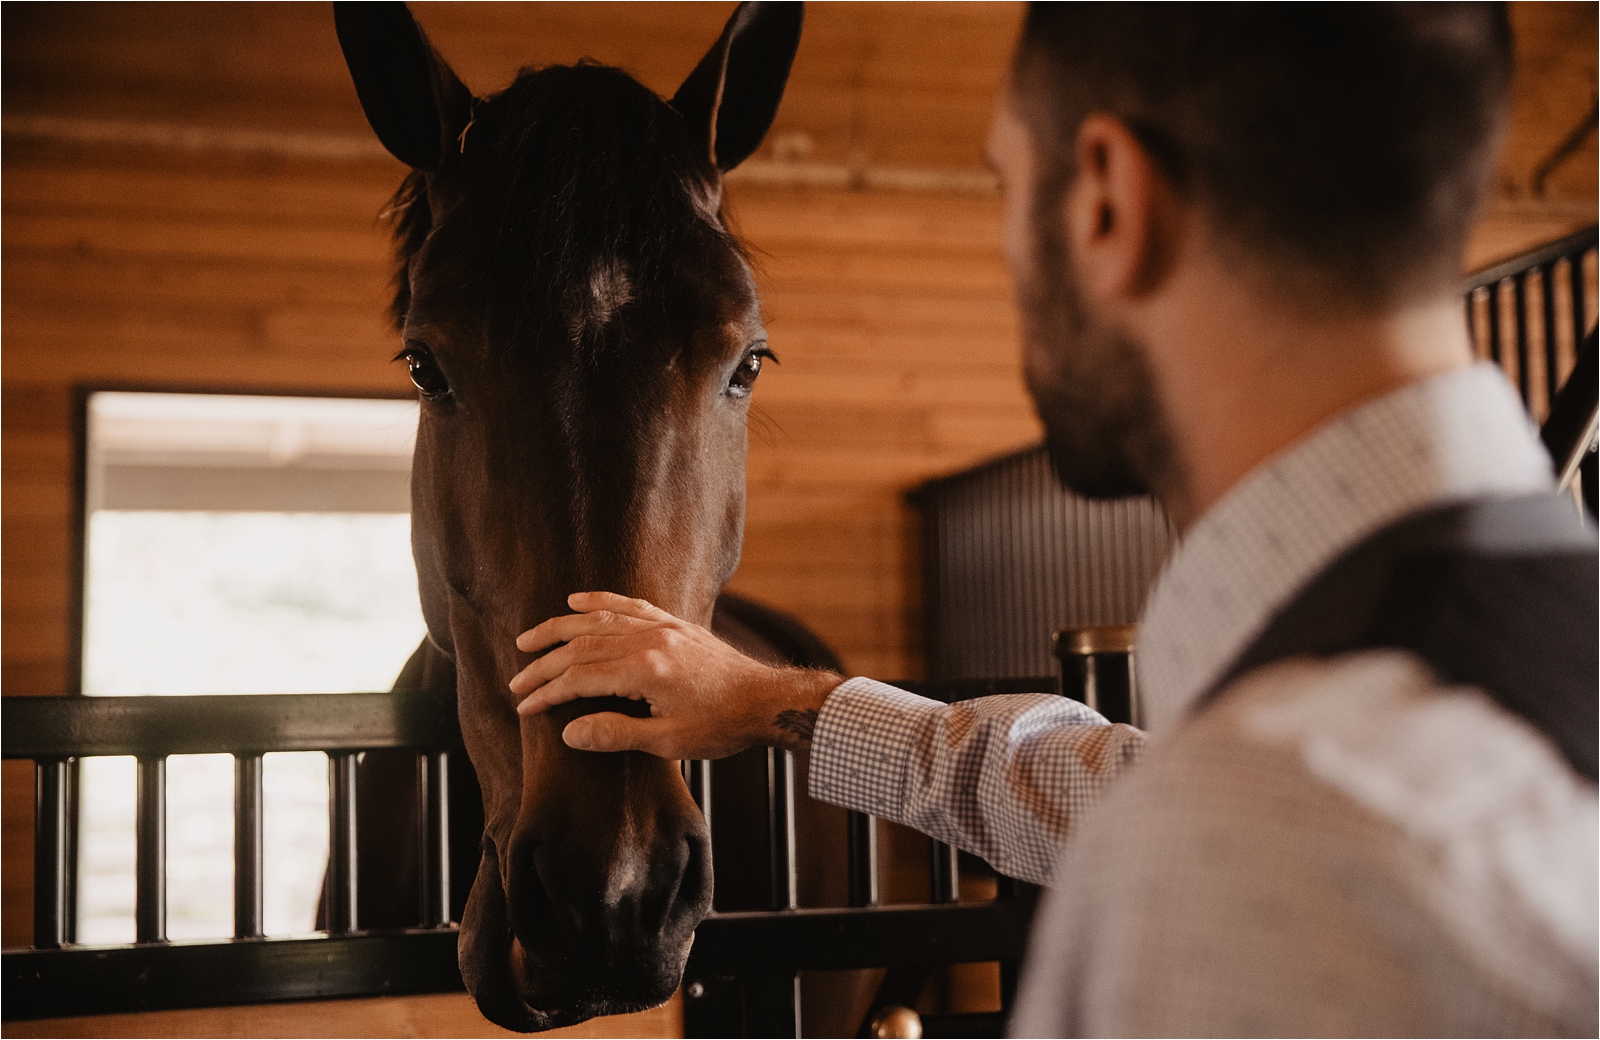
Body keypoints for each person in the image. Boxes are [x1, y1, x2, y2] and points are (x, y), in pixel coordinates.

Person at [510, 4, 1598, 1035]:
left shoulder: (1266, 840)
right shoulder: (1500, 671)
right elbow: (1125, 780)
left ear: (1107, 204)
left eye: (1006, 186)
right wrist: (774, 699)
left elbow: (1217, 819)